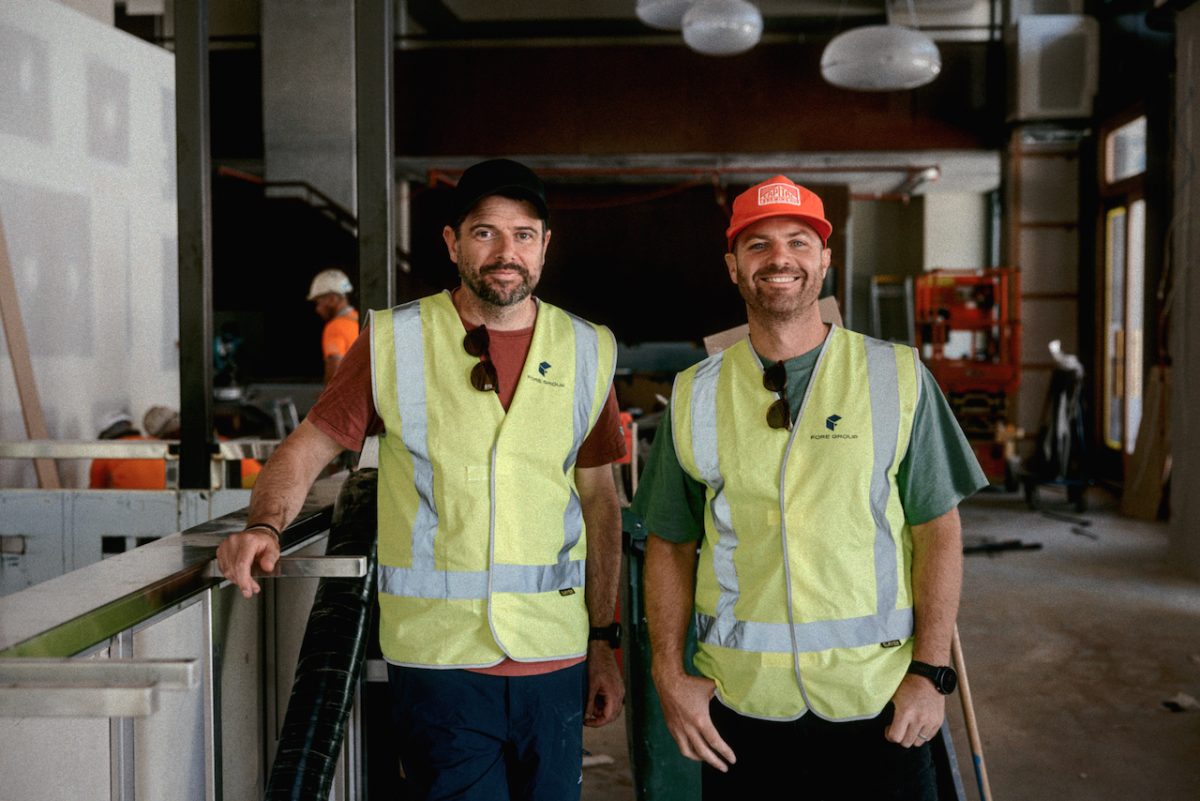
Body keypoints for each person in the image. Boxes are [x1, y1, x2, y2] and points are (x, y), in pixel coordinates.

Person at [217, 158, 627, 801]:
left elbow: (602, 502)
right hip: (440, 661)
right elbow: (304, 450)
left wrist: (605, 641)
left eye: (523, 234)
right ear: (452, 242)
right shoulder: (393, 342)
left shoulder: (587, 349)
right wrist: (263, 524)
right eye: (485, 232)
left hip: (556, 652)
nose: (505, 251)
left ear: (546, 246)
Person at [634, 175, 988, 799]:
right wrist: (669, 672)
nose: (780, 259)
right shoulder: (697, 393)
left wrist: (931, 673)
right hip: (743, 709)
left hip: (879, 702)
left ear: (825, 260)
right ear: (733, 267)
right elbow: (669, 541)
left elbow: (938, 529)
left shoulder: (896, 376)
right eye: (758, 245)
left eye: (799, 241)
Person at [307, 267, 360, 383]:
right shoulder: (359, 320)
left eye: (319, 302)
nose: (317, 309)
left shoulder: (335, 327)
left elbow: (334, 376)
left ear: (332, 299)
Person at [88, 411, 165, 489]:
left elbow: (95, 492)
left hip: (129, 500)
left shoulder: (104, 453)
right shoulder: (155, 443)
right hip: (168, 499)